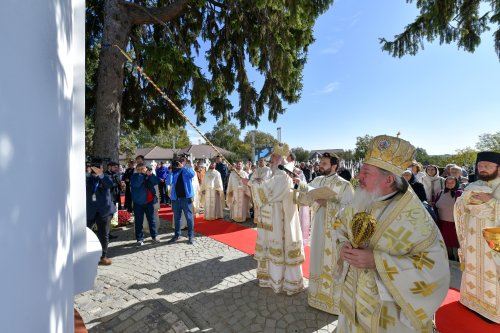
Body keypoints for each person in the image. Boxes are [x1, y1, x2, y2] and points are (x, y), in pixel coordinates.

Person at [332, 135, 449, 332]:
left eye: (365, 173)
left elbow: (435, 271)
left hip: (387, 314)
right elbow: (339, 224)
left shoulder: (415, 218)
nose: (357, 177)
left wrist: (378, 261)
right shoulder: (361, 199)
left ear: (388, 179)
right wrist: (342, 246)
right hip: (352, 298)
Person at [295, 152, 354, 314]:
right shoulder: (317, 180)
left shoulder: (345, 185)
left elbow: (351, 211)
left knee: (332, 262)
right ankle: (315, 296)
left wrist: (328, 203)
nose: (320, 165)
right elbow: (304, 200)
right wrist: (299, 186)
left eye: (324, 163)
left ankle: (333, 302)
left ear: (334, 166)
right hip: (318, 226)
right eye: (320, 162)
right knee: (317, 257)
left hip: (336, 232)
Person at [244, 143, 305, 295]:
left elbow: (269, 193)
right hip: (269, 217)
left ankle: (282, 281)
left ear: (280, 158)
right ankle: (269, 278)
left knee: (278, 246)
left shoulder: (283, 175)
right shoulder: (275, 174)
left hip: (279, 218)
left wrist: (251, 183)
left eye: (273, 156)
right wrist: (253, 183)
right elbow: (266, 187)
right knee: (268, 246)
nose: (270, 159)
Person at [454, 151, 500, 323]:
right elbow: (460, 208)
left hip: (495, 242)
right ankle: (472, 301)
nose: (483, 169)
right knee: (473, 267)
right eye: (480, 166)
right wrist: (463, 202)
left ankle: (494, 312)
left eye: (487, 166)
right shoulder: (472, 186)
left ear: (499, 169)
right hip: (473, 239)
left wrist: (491, 202)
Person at [86, 160, 116, 265]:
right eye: (95, 167)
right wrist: (88, 172)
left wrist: (101, 175)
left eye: (100, 167)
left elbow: (110, 184)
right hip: (90, 210)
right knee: (85, 232)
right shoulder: (87, 178)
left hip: (104, 210)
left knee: (103, 234)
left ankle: (103, 256)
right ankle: (85, 253)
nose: (97, 169)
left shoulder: (106, 177)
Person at [166, 157, 196, 244]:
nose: (178, 164)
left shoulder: (186, 170)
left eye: (180, 162)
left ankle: (190, 236)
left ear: (184, 163)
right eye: (177, 162)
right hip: (176, 199)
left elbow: (192, 174)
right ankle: (177, 235)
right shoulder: (174, 172)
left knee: (189, 218)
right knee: (177, 218)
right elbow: (168, 182)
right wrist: (171, 171)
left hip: (186, 198)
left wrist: (182, 167)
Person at [130, 163, 159, 246]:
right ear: (137, 170)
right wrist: (141, 175)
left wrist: (151, 175)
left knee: (152, 220)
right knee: (139, 221)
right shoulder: (134, 176)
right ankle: (139, 239)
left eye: (143, 169)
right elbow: (136, 184)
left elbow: (156, 182)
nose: (141, 171)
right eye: (139, 169)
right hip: (138, 203)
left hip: (149, 202)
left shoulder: (148, 175)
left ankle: (154, 236)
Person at [434, 176, 463, 260]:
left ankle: (458, 261)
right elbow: (435, 206)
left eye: (452, 182)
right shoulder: (440, 193)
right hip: (442, 224)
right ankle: (449, 260)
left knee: (457, 245)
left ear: (456, 183)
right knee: (446, 244)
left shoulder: (460, 194)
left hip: (456, 225)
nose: (449, 184)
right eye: (447, 182)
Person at [250, 157, 273, 223]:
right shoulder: (256, 170)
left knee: (264, 206)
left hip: (264, 191)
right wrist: (256, 180)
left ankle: (264, 220)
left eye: (262, 161)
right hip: (256, 191)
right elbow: (252, 179)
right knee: (257, 205)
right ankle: (257, 219)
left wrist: (258, 180)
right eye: (259, 161)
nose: (260, 162)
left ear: (265, 162)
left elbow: (266, 180)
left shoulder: (268, 170)